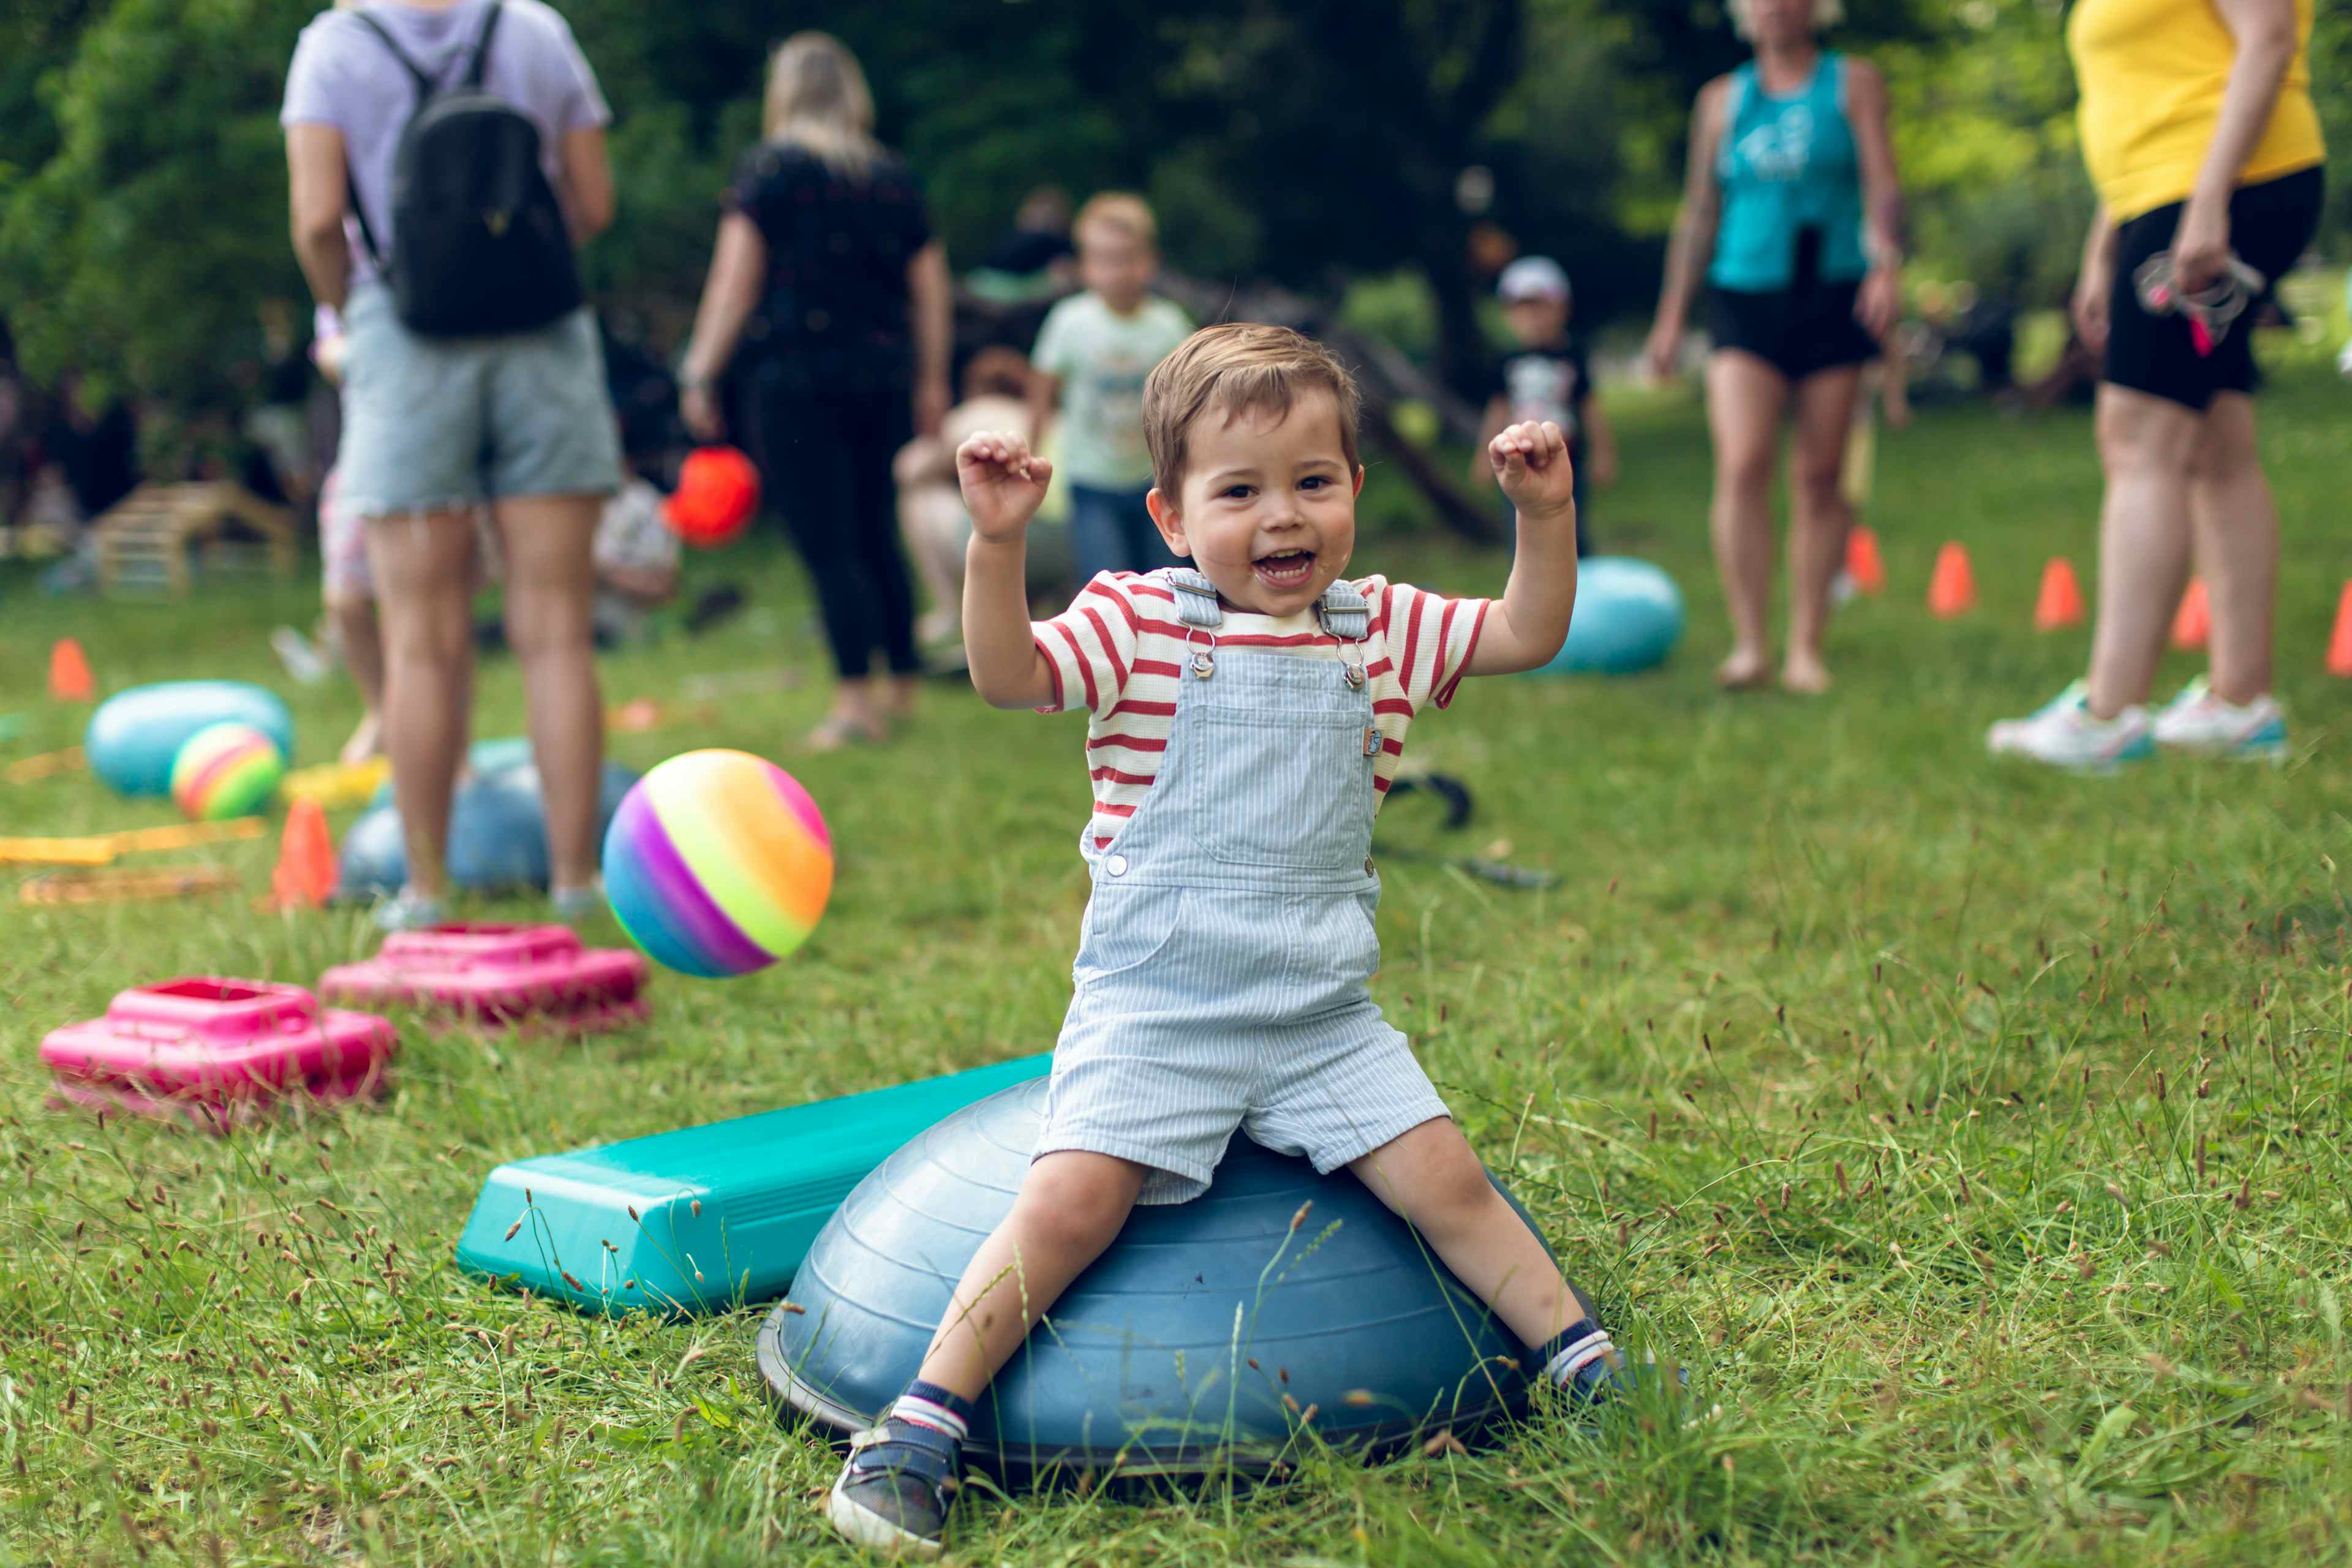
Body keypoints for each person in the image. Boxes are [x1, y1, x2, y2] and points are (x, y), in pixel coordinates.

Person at [825, 324, 1657, 1555]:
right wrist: (997, 544)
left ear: (1355, 494)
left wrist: (1547, 514)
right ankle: (919, 1425)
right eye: (1240, 491)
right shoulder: (1135, 623)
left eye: (1314, 483)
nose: (1284, 517)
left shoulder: (1384, 625)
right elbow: (1008, 676)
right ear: (1171, 515)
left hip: (1320, 1016)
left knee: (1449, 1179)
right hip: (1157, 1011)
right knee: (1065, 1203)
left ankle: (1584, 1361)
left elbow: (1527, 632)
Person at [283, 0, 622, 929]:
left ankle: (425, 892)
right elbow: (591, 203)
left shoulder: (333, 48)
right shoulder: (537, 31)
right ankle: (574, 881)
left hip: (404, 336)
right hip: (543, 333)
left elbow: (318, 221)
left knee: (418, 638)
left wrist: (358, 305)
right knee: (556, 627)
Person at [1989, 0, 2324, 768]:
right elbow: (2149, 96)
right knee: (2215, 440)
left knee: (2139, 436)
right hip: (2173, 193)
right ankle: (2240, 705)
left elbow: (2268, 39)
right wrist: (2102, 246)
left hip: (2219, 188)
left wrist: (2208, 204)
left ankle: (2107, 717)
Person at [677, 31, 951, 752]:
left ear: (785, 91)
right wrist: (930, 380)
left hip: (795, 381)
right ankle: (901, 686)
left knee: (827, 540)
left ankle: (853, 702)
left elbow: (734, 284)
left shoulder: (769, 171)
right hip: (881, 378)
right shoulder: (891, 176)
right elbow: (930, 292)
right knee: (875, 530)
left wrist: (702, 370)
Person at [1643, 0, 1904, 695]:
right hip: (1743, 295)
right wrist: (1671, 318)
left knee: (1821, 473)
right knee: (1743, 461)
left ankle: (1806, 647)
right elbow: (1700, 212)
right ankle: (1751, 644)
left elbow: (1884, 190)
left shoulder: (1855, 83)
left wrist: (1886, 267)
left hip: (1833, 291)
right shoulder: (1721, 101)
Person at [1027, 192, 1194, 583]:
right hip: (1091, 479)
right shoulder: (1069, 321)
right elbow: (1042, 389)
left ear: (1148, 262)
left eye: (1126, 258)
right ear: (1085, 265)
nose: (1116, 271)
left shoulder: (1169, 325)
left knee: (1170, 580)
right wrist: (1032, 453)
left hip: (1158, 478)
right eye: (1104, 260)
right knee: (1107, 582)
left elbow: (1192, 398)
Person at [1471, 256, 1618, 556]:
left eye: (1541, 307)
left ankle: (1579, 583)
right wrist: (1483, 457)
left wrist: (1603, 454)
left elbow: (1590, 408)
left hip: (1567, 455)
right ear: (1508, 315)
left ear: (1562, 308)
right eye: (1523, 310)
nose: (1533, 318)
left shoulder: (1573, 357)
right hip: (1518, 459)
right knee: (1520, 527)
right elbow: (1498, 409)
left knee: (1572, 525)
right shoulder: (1507, 362)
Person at [893, 347, 1036, 652]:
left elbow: (907, 468)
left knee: (920, 497)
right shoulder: (1042, 416)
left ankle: (950, 609)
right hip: (1065, 541)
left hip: (1008, 535)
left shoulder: (972, 415)